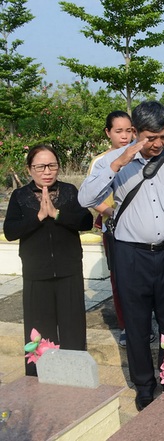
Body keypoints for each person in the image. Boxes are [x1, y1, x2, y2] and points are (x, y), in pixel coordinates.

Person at [78, 101, 164, 410]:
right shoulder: (113, 162)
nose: (158, 144)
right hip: (131, 255)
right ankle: (144, 385)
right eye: (150, 138)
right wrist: (119, 162)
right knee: (137, 324)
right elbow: (85, 198)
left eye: (163, 136)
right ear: (135, 133)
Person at [4, 144, 93, 376]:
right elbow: (11, 231)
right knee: (39, 334)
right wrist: (39, 216)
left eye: (52, 165)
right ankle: (39, 381)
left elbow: (86, 221)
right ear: (30, 169)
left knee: (73, 330)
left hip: (69, 271)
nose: (47, 171)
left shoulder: (70, 191)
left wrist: (58, 215)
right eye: (40, 166)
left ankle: (75, 376)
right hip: (37, 275)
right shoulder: (20, 196)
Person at [89, 111, 134, 347]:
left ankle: (143, 322)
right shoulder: (101, 162)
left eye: (129, 131)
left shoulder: (142, 156)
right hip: (115, 229)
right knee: (120, 280)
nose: (125, 136)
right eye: (119, 131)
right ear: (108, 133)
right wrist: (111, 212)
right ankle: (126, 324)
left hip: (142, 231)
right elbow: (89, 196)